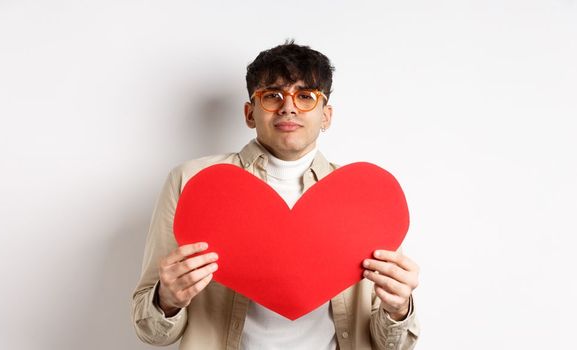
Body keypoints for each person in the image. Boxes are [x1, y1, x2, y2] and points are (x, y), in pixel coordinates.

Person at [131, 40, 420, 350]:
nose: (288, 106)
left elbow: (393, 344)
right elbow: (152, 332)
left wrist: (399, 309)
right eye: (272, 96)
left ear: (326, 115)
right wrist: (167, 300)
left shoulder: (364, 196)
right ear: (250, 113)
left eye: (306, 96)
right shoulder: (192, 182)